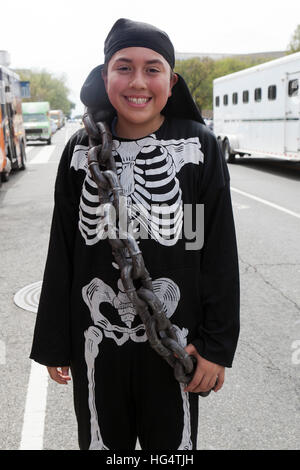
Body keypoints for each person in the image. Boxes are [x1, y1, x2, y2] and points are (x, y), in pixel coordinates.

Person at [30, 18, 240, 450]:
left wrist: (216, 345)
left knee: (172, 451)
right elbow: (64, 250)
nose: (138, 81)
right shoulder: (79, 151)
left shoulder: (197, 148)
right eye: (123, 67)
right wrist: (53, 341)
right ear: (104, 75)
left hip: (173, 339)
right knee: (105, 446)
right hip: (97, 337)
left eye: (152, 68)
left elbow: (208, 248)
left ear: (171, 79)